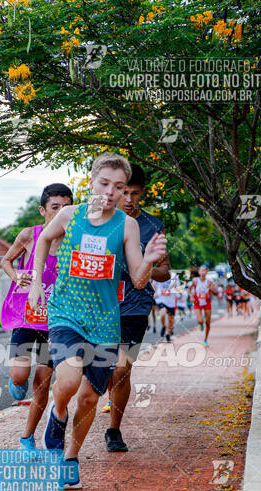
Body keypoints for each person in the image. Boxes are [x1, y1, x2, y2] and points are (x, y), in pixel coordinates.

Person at [28, 153, 167, 488]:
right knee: (69, 380)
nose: (110, 191)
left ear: (124, 192)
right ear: (90, 181)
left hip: (105, 322)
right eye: (104, 183)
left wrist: (148, 260)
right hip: (67, 314)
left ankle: (70, 458)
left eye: (118, 187)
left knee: (90, 398)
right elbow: (45, 239)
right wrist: (35, 281)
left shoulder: (127, 225)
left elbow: (137, 279)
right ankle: (57, 414)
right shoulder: (68, 215)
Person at [102, 164, 171, 452]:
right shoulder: (99, 220)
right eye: (123, 192)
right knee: (103, 369)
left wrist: (143, 267)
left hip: (135, 308)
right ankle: (109, 395)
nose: (128, 199)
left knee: (122, 369)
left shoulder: (153, 227)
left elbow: (165, 271)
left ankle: (114, 430)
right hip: (100, 306)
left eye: (134, 193)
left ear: (142, 194)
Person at [0, 184, 73, 450]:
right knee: (21, 377)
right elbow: (6, 261)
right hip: (25, 316)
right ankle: (15, 382)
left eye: (67, 207)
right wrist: (17, 275)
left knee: (42, 384)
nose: (61, 212)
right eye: (55, 207)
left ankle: (27, 437)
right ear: (43, 210)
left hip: (56, 323)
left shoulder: (74, 241)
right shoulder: (29, 235)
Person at [190, 265, 218, 347]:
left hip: (207, 303)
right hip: (197, 302)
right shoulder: (195, 281)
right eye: (201, 270)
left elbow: (216, 293)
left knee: (208, 322)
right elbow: (189, 289)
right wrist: (191, 296)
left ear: (207, 272)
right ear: (199, 272)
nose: (202, 272)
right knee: (200, 321)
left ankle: (205, 340)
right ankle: (200, 323)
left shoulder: (210, 282)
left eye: (204, 270)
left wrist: (211, 289)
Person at [152, 272, 180, 342]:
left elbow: (178, 287)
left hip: (171, 300)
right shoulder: (158, 274)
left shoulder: (174, 276)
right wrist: (155, 293)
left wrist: (177, 293)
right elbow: (154, 284)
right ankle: (164, 326)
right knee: (162, 313)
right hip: (161, 299)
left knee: (171, 319)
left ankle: (168, 334)